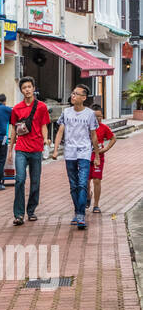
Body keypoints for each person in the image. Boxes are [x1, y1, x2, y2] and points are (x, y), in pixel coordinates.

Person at [52, 84, 99, 228]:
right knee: (73, 185)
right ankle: (78, 211)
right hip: (70, 152)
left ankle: (80, 215)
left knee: (82, 183)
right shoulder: (66, 112)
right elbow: (60, 131)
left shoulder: (90, 114)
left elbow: (93, 135)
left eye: (76, 94)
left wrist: (97, 155)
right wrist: (55, 150)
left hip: (84, 152)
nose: (73, 96)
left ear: (84, 98)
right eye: (72, 93)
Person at [7, 76, 51, 224]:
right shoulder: (16, 109)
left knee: (35, 181)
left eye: (29, 87)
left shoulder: (41, 107)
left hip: (36, 149)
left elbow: (44, 125)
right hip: (21, 149)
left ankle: (31, 211)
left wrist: (45, 140)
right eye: (24, 87)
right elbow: (14, 130)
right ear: (21, 90)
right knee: (19, 180)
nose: (27, 90)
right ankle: (19, 214)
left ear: (33, 88)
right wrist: (10, 150)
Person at [87, 101, 116, 214]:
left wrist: (106, 149)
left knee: (97, 180)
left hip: (98, 157)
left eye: (100, 116)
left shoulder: (104, 127)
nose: (98, 118)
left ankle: (96, 205)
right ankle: (88, 196)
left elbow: (113, 138)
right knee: (85, 181)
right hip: (86, 157)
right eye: (95, 116)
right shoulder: (86, 127)